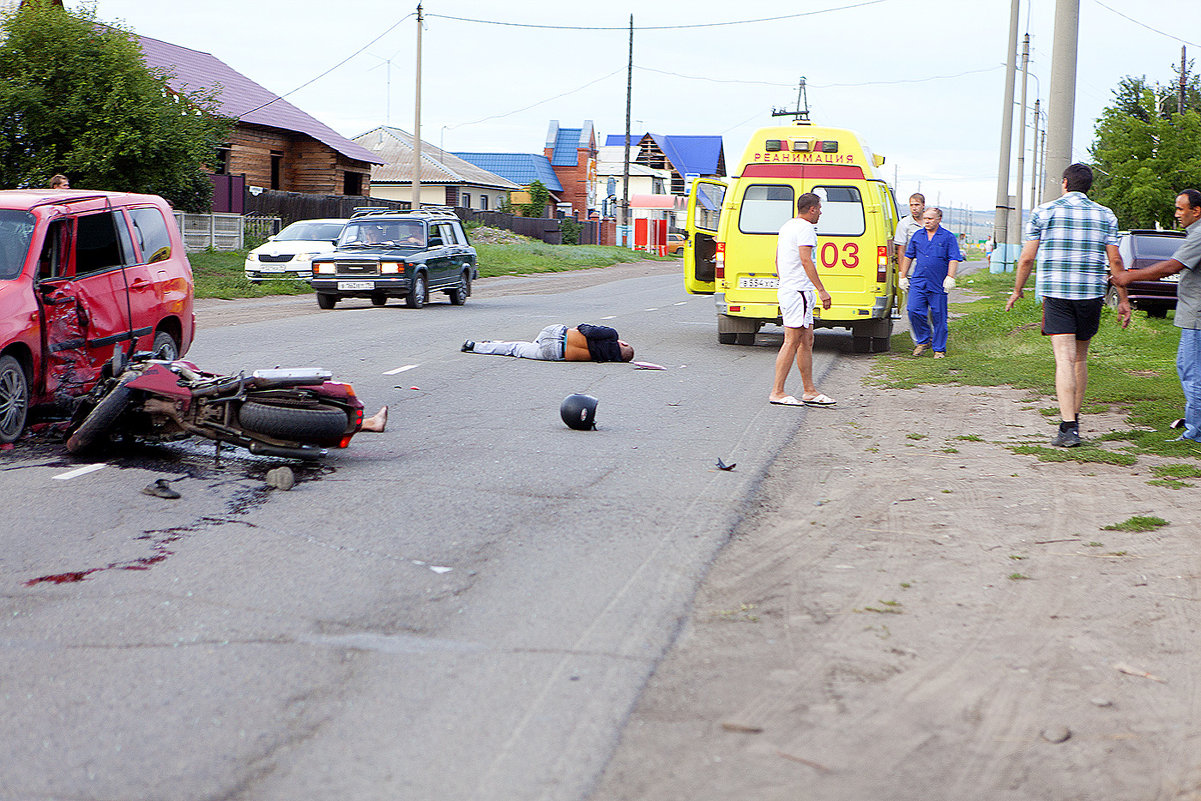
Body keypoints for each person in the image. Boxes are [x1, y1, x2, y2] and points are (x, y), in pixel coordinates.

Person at [1004, 163, 1131, 447]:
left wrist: (1017, 290)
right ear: (1089, 187)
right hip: (1091, 294)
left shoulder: (1044, 211)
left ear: (1064, 183)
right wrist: (1123, 299)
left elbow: (1026, 258)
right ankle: (1075, 417)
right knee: (1080, 359)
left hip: (1057, 294)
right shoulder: (1105, 214)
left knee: (1063, 359)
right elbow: (1116, 262)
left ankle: (1068, 427)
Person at [1111, 189, 1201, 443]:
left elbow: (1172, 266)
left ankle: (1196, 433)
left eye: (1181, 209)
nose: (1177, 214)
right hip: (1193, 313)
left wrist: (1129, 276)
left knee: (1192, 373)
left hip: (1197, 315)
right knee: (1190, 370)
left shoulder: (1199, 236)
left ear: (1197, 211)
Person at [768, 192, 835, 407]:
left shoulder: (788, 226)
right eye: (819, 209)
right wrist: (822, 290)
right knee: (792, 340)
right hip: (798, 291)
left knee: (807, 340)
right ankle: (777, 392)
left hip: (793, 289)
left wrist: (785, 280)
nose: (821, 213)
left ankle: (809, 391)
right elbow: (807, 261)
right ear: (812, 209)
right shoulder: (805, 228)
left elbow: (777, 258)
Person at [900, 207, 963, 358]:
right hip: (919, 281)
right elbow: (908, 256)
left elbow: (954, 258)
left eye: (930, 219)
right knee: (913, 309)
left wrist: (950, 277)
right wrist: (902, 276)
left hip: (938, 283)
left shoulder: (947, 237)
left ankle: (939, 348)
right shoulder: (918, 236)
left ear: (939, 219)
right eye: (925, 218)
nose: (927, 221)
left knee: (938, 315)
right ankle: (923, 341)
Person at [462, 324, 634, 362]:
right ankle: (475, 346)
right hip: (554, 353)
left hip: (556, 333)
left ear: (624, 344)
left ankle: (493, 343)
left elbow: (587, 330)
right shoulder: (607, 359)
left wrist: (578, 326)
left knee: (518, 344)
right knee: (516, 349)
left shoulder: (612, 335)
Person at [893, 193, 926, 267]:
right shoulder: (904, 223)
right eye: (911, 205)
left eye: (917, 205)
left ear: (923, 205)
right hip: (911, 269)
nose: (914, 208)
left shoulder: (931, 222)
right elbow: (901, 249)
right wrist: (902, 273)